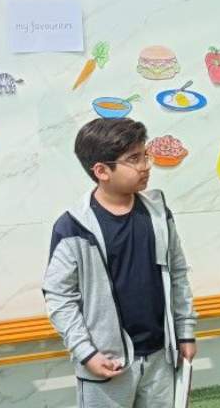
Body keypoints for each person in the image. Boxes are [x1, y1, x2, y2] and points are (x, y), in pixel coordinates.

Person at [43, 118, 197, 408]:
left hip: (161, 357)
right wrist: (86, 353)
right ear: (101, 171)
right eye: (133, 159)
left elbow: (177, 274)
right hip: (106, 362)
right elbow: (59, 296)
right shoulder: (73, 227)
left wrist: (185, 332)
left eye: (145, 155)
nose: (145, 166)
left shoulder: (159, 214)